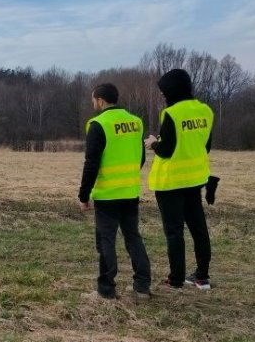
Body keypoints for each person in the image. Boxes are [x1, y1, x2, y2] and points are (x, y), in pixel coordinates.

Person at [78, 83, 152, 300]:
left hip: (107, 195)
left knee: (106, 242)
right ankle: (142, 287)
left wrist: (84, 195)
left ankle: (106, 290)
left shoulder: (98, 124)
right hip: (130, 192)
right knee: (133, 238)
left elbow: (91, 164)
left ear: (100, 100)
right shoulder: (136, 122)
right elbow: (140, 157)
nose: (93, 104)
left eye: (94, 100)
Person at [144, 69, 214, 290]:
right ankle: (202, 276)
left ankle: (176, 279)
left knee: (174, 232)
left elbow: (166, 150)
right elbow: (206, 146)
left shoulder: (171, 114)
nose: (163, 95)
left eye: (164, 92)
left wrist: (153, 143)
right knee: (198, 229)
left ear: (172, 90)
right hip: (195, 179)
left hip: (171, 181)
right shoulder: (205, 111)